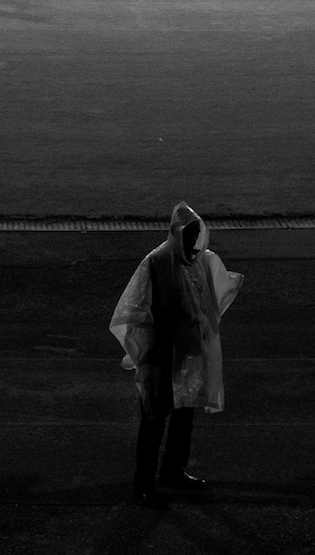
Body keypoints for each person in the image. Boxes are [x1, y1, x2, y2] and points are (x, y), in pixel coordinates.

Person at [109, 202, 243, 504]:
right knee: (155, 416)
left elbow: (209, 300)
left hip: (188, 352)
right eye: (190, 232)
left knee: (185, 411)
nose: (194, 239)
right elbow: (135, 308)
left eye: (197, 232)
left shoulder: (198, 261)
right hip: (161, 353)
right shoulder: (157, 262)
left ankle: (173, 468)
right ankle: (144, 479)